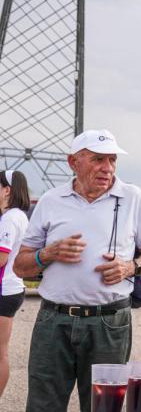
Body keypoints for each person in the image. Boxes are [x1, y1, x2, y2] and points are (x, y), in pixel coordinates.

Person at [13, 129, 141, 412]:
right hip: (53, 320)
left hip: (109, 322)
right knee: (43, 405)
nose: (107, 168)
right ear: (73, 162)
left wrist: (131, 266)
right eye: (97, 159)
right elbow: (20, 266)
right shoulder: (51, 200)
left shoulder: (132, 198)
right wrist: (48, 254)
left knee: (103, 406)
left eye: (112, 160)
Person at [0, 169, 30, 399]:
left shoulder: (10, 218)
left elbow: (1, 256)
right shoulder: (17, 215)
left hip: (4, 289)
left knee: (0, 354)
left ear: (7, 190)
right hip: (12, 287)